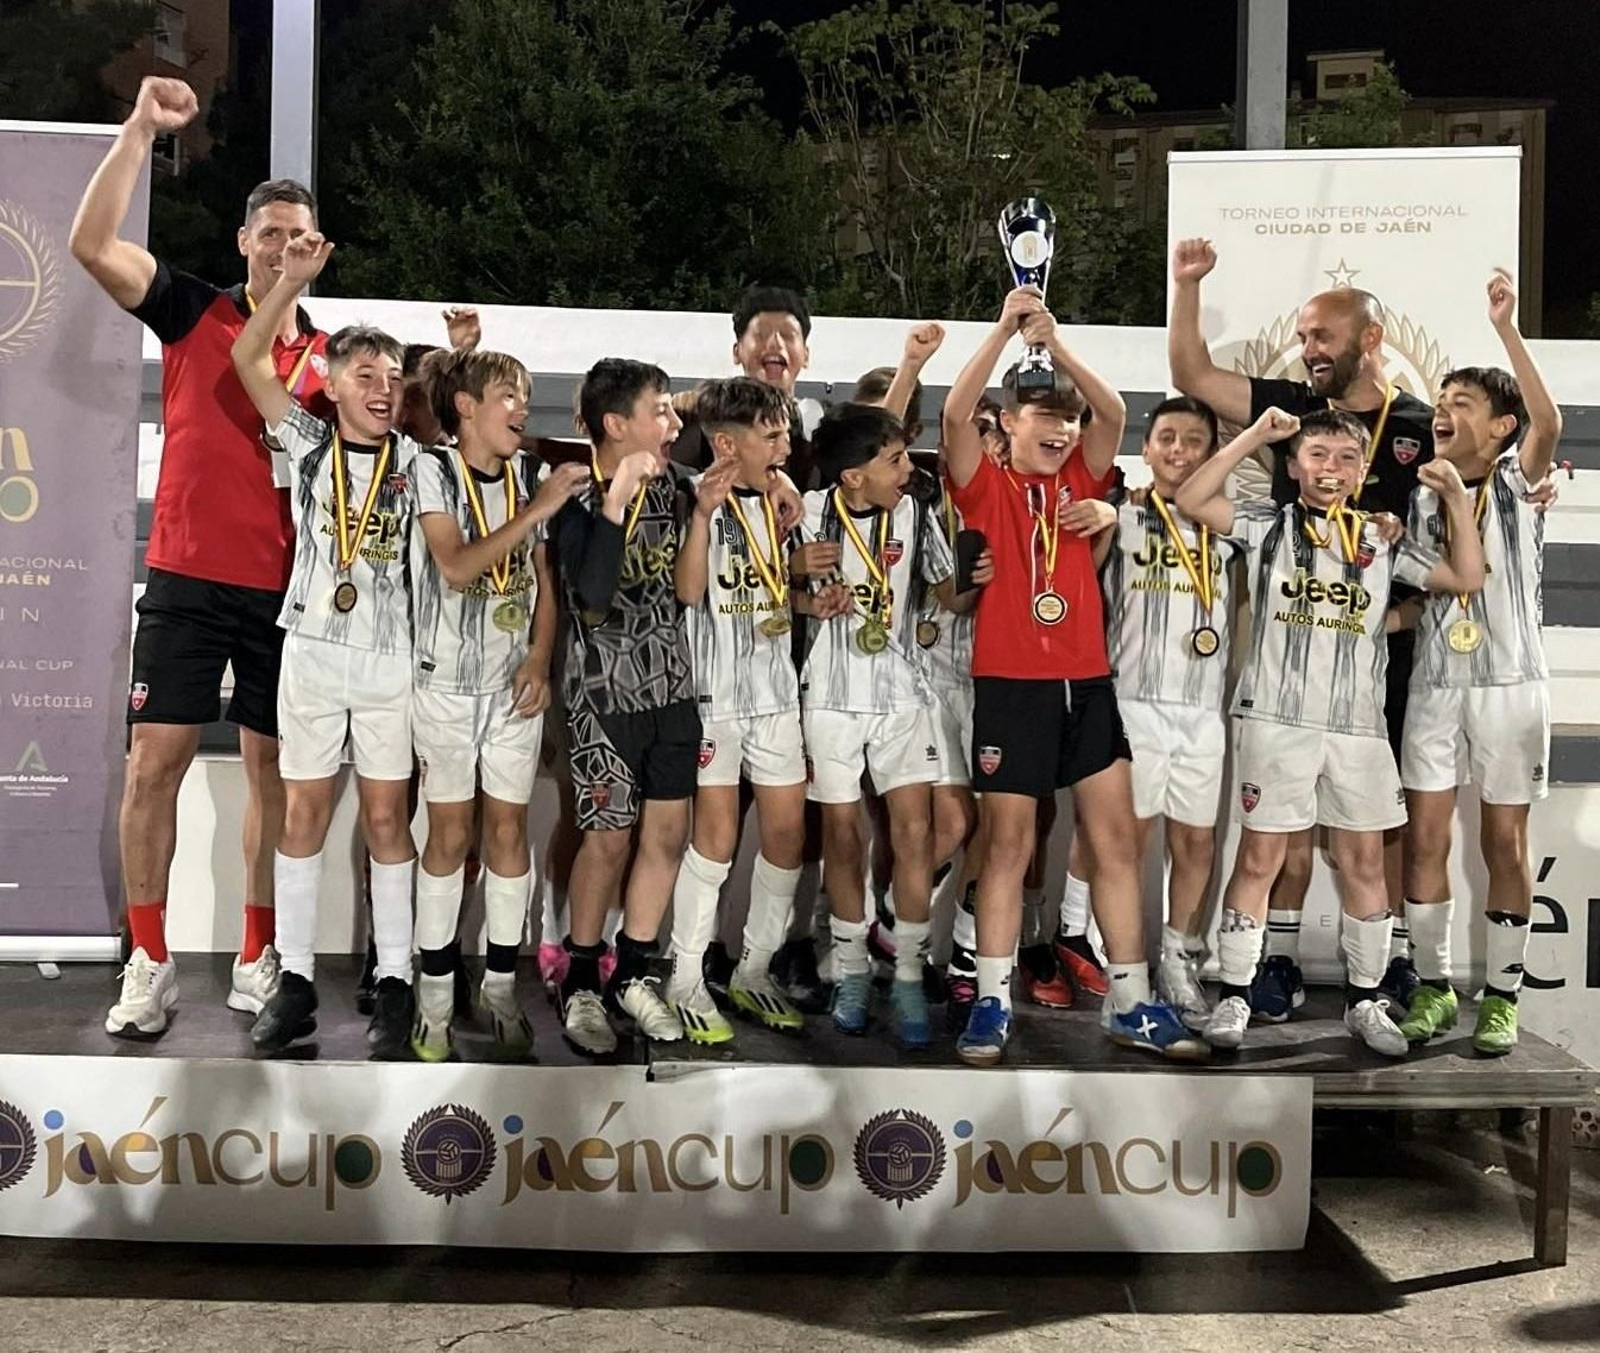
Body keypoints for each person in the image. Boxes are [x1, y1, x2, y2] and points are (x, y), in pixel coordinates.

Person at [72, 75, 328, 1038]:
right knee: (154, 768)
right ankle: (150, 960)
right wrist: (140, 128)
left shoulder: (338, 359)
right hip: (184, 577)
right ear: (244, 243)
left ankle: (260, 956)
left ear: (317, 249)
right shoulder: (191, 312)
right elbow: (91, 248)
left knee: (271, 776)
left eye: (299, 236)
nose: (283, 247)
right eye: (269, 234)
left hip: (290, 595)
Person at [1167, 238, 1438, 1020]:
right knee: (1275, 838)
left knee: (1371, 835)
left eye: (1323, 336)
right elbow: (1194, 377)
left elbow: (1453, 550)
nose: (1309, 348)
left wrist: (1399, 612)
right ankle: (1271, 963)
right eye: (1306, 336)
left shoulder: (1421, 423)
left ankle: (1386, 976)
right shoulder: (1289, 408)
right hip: (1288, 657)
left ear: (1370, 339)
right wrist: (1188, 287)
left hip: (1380, 663)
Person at [942, 286, 1204, 1067]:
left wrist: (1056, 347)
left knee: (1116, 842)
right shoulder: (984, 485)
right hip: (1011, 687)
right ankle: (990, 1002)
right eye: (1040, 415)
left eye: (1066, 418)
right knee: (1007, 847)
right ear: (1009, 426)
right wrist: (1001, 330)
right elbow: (954, 417)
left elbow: (1117, 414)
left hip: (1088, 685)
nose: (1059, 428)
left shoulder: (1087, 486)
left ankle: (1131, 1002)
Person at [1176, 407, 1485, 1055]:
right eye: (1317, 455)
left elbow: (1465, 577)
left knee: (1365, 861)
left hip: (1357, 727)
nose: (1331, 469)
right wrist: (1258, 435)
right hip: (1275, 718)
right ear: (1294, 466)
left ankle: (1365, 1001)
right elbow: (1193, 498)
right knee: (1259, 857)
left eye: (1346, 457)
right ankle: (1234, 992)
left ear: (1362, 470)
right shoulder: (1268, 526)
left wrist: (1455, 497)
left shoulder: (1380, 538)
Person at [228, 232, 421, 1057]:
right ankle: (296, 978)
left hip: (387, 657)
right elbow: (248, 359)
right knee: (302, 809)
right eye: (365, 376)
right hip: (309, 646)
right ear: (333, 385)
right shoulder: (306, 447)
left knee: (385, 815)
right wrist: (291, 283)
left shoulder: (422, 464)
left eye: (392, 377)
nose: (382, 389)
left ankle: (398, 979)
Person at [407, 347, 588, 1061]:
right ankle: (432, 1000)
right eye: (508, 395)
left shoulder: (526, 476)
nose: (521, 408)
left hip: (513, 681)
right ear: (466, 408)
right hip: (447, 683)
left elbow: (545, 582)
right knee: (450, 836)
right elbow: (454, 566)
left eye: (525, 395)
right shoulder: (434, 469)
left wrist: (541, 657)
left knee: (509, 832)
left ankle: (503, 988)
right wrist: (539, 509)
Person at [1397, 270, 1560, 1056]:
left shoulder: (1521, 482)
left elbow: (1551, 419)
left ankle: (1502, 998)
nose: (1445, 414)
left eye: (1464, 405)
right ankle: (1431, 988)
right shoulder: (1419, 495)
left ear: (1500, 426)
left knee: (1504, 843)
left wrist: (1506, 329)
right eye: (1441, 403)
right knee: (1424, 839)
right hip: (1435, 684)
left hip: (1509, 684)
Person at [667, 377, 848, 1043]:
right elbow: (688, 592)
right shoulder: (696, 497)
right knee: (714, 841)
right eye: (770, 436)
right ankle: (685, 975)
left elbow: (769, 595)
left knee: (787, 836)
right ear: (725, 443)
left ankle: (754, 969)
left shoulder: (780, 504)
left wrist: (809, 601)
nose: (784, 446)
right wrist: (701, 516)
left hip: (775, 695)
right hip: (714, 698)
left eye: (785, 434)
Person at [797, 402, 960, 1047]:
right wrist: (804, 591)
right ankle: (851, 969)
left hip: (901, 694)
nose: (905, 469)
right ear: (852, 476)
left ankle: (911, 976)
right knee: (841, 832)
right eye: (891, 460)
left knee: (914, 832)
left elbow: (948, 591)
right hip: (831, 695)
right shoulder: (807, 514)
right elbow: (774, 586)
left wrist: (980, 575)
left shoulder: (917, 512)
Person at [547, 358, 698, 1055]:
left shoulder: (681, 490)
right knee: (606, 841)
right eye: (660, 410)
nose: (674, 423)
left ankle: (635, 970)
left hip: (671, 688)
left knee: (665, 838)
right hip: (602, 696)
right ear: (617, 424)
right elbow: (595, 595)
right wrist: (615, 504)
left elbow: (689, 589)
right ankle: (580, 976)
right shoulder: (575, 499)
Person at [1090, 396, 1245, 1030]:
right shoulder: (1119, 520)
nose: (1179, 452)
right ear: (1147, 449)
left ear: (1212, 453)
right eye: (1167, 439)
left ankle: (1179, 957)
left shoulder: (1233, 529)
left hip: (1202, 706)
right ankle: (1118, 968)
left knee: (1196, 840)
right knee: (1127, 842)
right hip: (1133, 699)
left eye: (1194, 442)